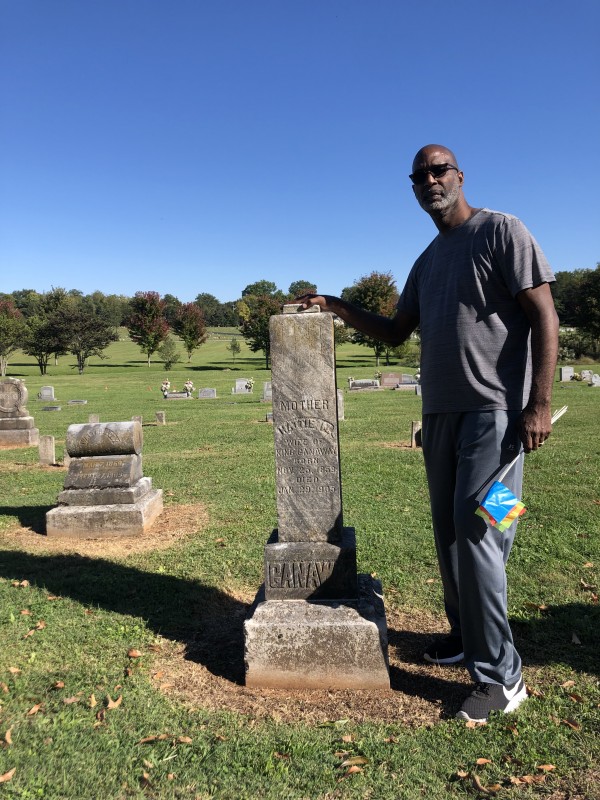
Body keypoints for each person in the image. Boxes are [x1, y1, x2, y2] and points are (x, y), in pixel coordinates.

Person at [298, 144, 559, 723]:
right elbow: (395, 333)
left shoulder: (502, 232)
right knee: (448, 538)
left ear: (460, 176)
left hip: (496, 415)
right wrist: (339, 306)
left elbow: (544, 314)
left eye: (439, 170)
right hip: (441, 415)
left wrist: (539, 403)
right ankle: (466, 636)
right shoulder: (429, 259)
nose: (429, 180)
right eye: (419, 176)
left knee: (483, 535)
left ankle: (502, 678)